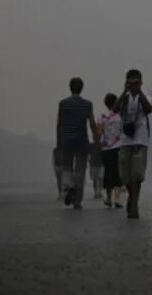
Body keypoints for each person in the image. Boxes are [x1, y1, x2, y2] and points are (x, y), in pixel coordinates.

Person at [114, 69, 152, 219]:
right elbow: (115, 109)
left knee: (136, 174)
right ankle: (132, 196)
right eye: (131, 82)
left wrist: (140, 92)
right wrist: (125, 91)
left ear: (141, 82)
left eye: (136, 82)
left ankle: (134, 206)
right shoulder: (124, 98)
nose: (134, 85)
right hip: (125, 139)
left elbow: (149, 109)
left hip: (140, 139)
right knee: (125, 175)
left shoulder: (145, 97)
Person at [56, 77, 98, 210]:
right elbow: (92, 123)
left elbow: (59, 124)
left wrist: (59, 143)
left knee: (67, 167)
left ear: (70, 87)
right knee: (80, 169)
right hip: (81, 140)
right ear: (81, 88)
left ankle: (68, 187)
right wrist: (96, 141)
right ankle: (77, 200)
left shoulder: (63, 103)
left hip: (67, 140)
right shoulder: (87, 104)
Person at [98, 93, 123, 208]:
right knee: (118, 173)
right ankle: (117, 199)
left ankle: (108, 198)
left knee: (108, 173)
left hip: (105, 149)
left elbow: (98, 134)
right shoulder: (120, 116)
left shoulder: (102, 117)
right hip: (118, 147)